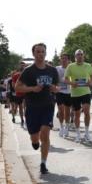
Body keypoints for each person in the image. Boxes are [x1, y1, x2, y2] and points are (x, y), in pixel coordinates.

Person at [16, 43, 59, 175]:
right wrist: (33, 89)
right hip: (32, 107)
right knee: (35, 137)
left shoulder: (52, 70)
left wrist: (55, 89)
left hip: (47, 105)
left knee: (45, 133)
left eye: (42, 52)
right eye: (38, 52)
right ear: (34, 54)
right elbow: (17, 87)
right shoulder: (28, 71)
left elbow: (57, 87)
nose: (40, 54)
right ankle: (35, 142)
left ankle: (43, 163)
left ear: (46, 53)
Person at [65, 49, 92, 143]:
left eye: (81, 54)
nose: (80, 56)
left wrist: (90, 81)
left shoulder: (88, 65)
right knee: (77, 114)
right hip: (75, 93)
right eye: (78, 55)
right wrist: (72, 83)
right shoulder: (70, 66)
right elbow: (65, 79)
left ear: (83, 56)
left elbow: (91, 76)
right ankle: (78, 134)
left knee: (86, 111)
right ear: (75, 57)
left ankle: (86, 132)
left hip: (86, 92)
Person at [55, 53, 72, 137]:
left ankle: (67, 127)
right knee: (61, 110)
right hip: (59, 92)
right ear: (60, 60)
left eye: (65, 58)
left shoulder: (71, 68)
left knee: (67, 112)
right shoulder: (57, 69)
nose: (64, 60)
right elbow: (54, 79)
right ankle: (61, 127)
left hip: (69, 92)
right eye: (62, 58)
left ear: (68, 60)